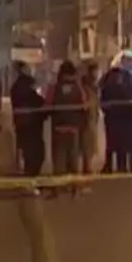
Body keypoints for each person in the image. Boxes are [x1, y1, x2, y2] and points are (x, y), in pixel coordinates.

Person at [46, 60, 88, 193]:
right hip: (74, 128)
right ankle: (74, 187)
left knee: (58, 159)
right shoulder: (78, 87)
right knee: (73, 158)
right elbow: (84, 105)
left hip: (58, 128)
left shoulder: (54, 88)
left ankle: (58, 188)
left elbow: (47, 106)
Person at [10, 62, 47, 177]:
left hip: (23, 124)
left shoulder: (16, 88)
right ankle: (31, 178)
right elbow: (38, 102)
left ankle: (29, 176)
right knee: (35, 154)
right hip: (31, 125)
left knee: (28, 152)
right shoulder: (27, 89)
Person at [100, 67, 128, 173]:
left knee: (112, 143)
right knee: (119, 143)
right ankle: (121, 166)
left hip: (112, 118)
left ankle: (110, 166)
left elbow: (103, 102)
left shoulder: (106, 87)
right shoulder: (121, 87)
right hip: (119, 118)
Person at [80, 63, 101, 174]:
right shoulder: (86, 86)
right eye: (96, 71)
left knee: (90, 144)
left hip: (92, 117)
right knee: (87, 144)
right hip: (87, 118)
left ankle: (88, 165)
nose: (98, 74)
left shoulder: (94, 86)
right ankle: (87, 166)